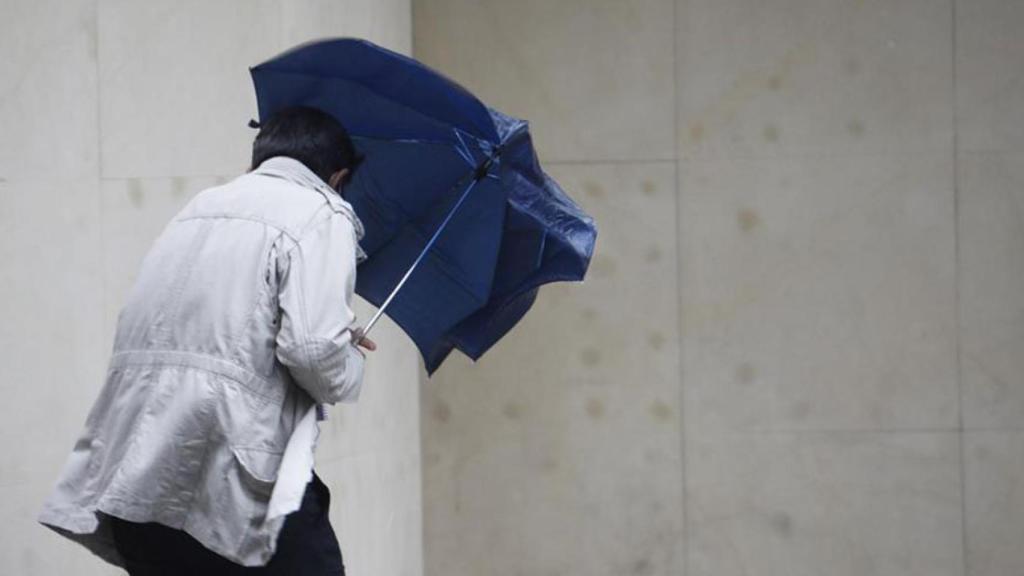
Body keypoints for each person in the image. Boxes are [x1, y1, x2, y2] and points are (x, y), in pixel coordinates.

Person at [37, 106, 375, 574]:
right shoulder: (321, 212)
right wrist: (349, 360)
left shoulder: (198, 209)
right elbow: (312, 350)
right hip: (235, 490)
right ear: (337, 177)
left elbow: (216, 327)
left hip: (139, 474)